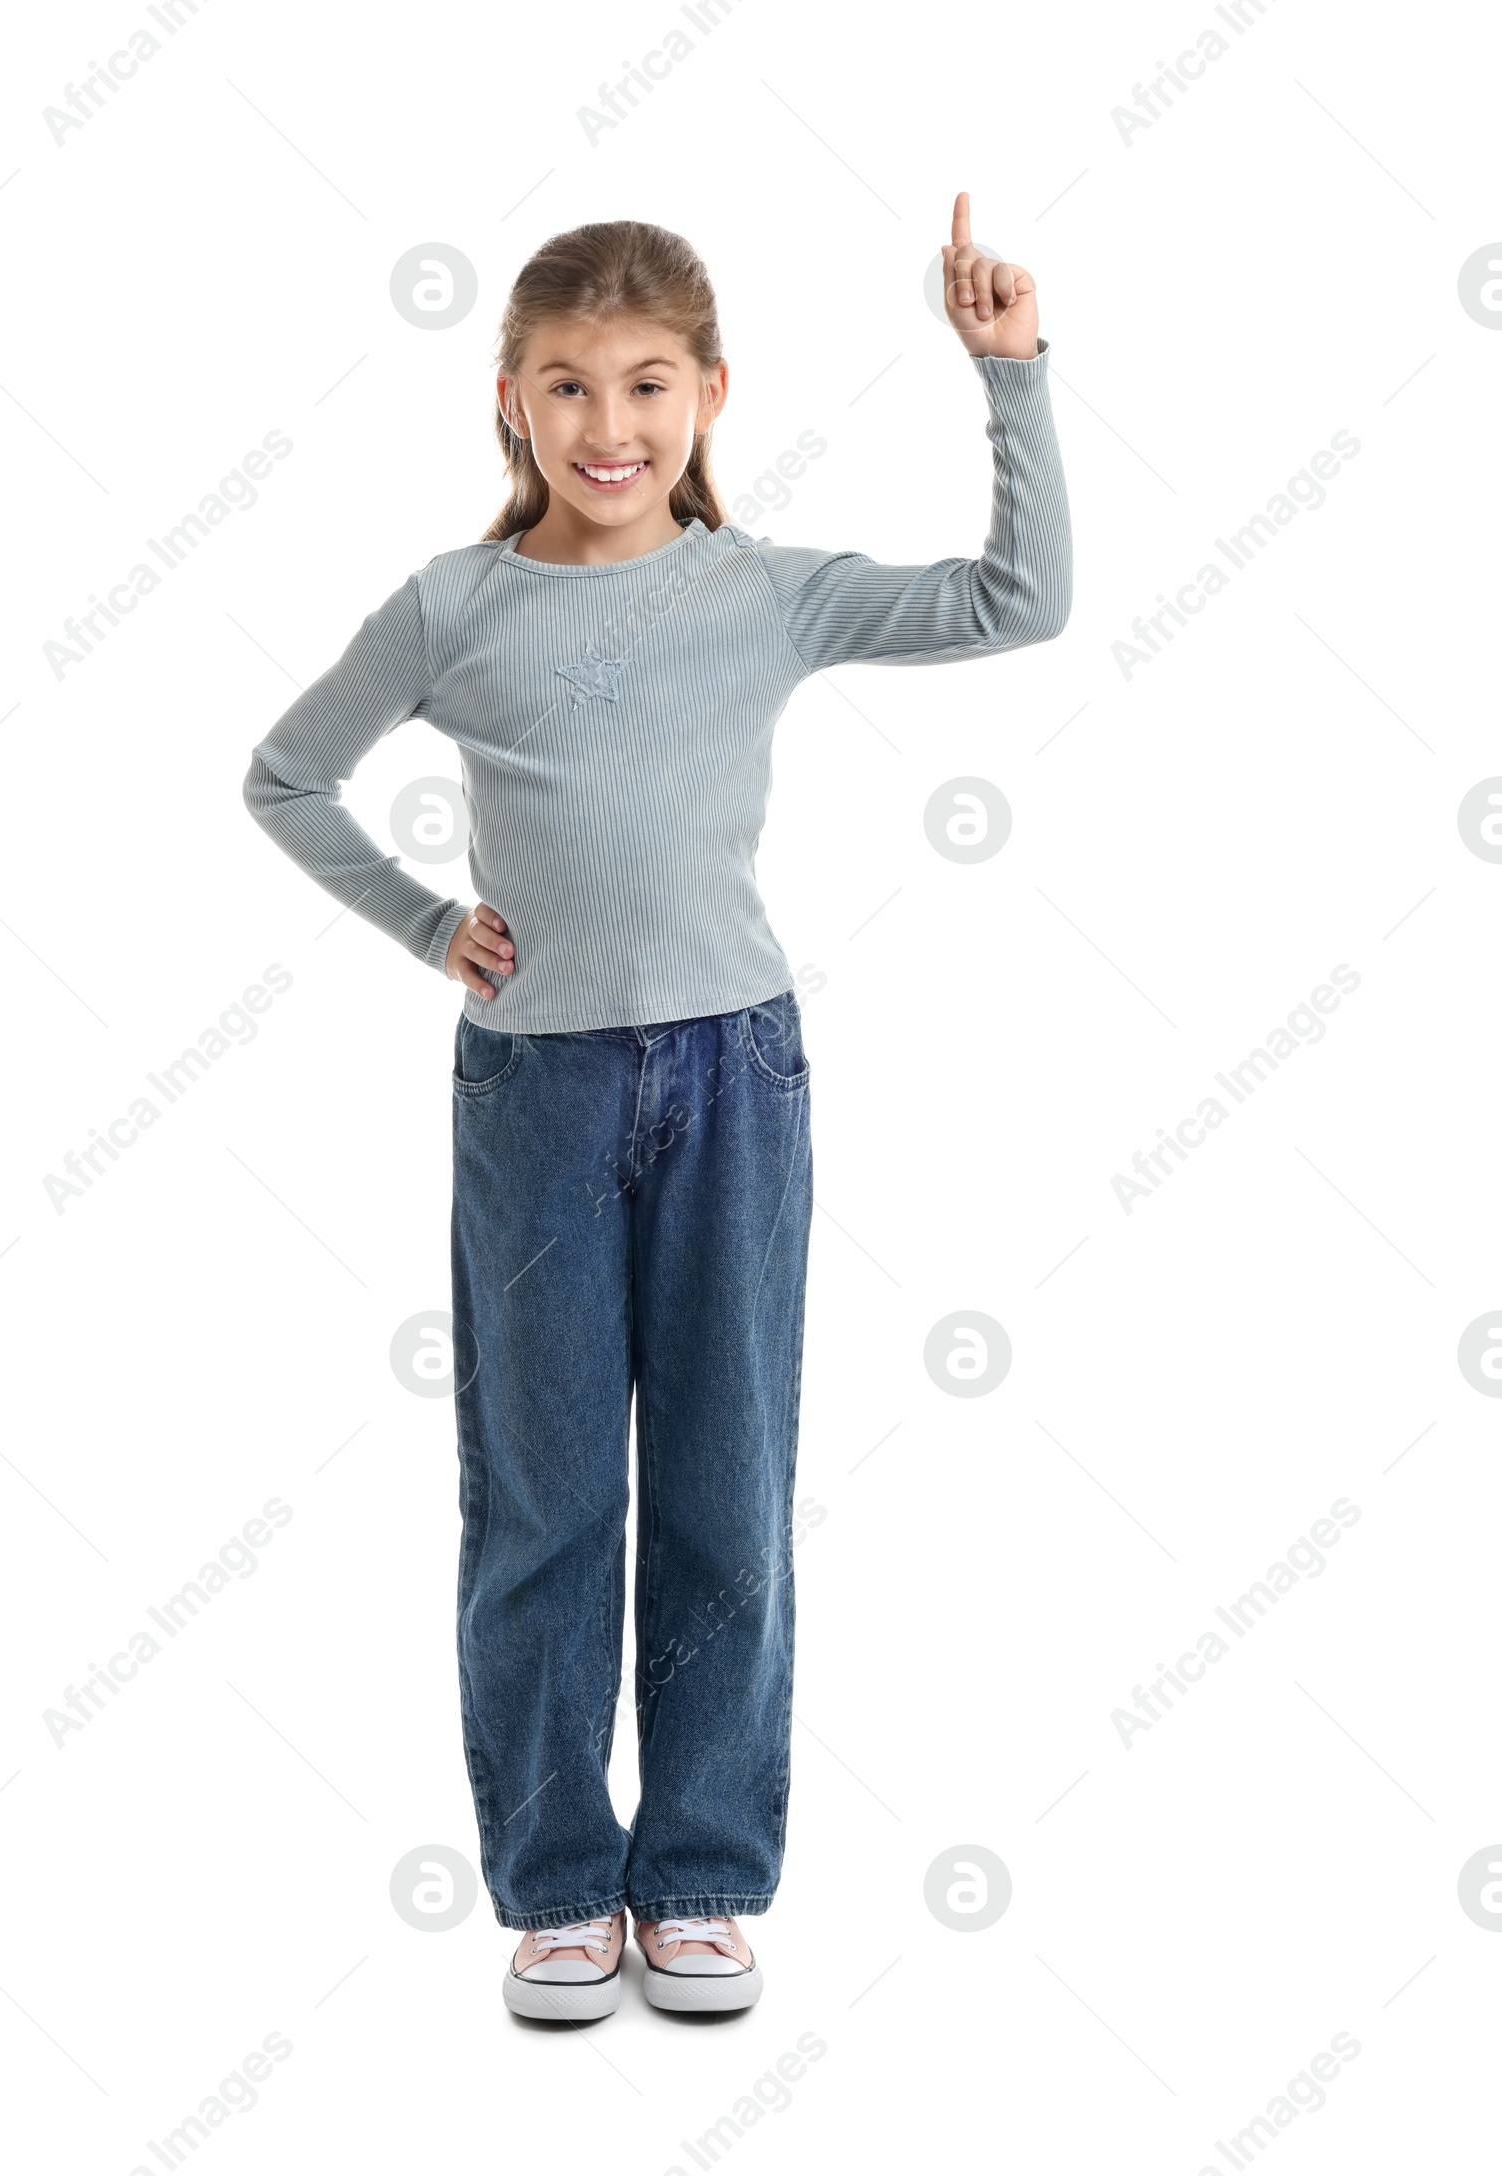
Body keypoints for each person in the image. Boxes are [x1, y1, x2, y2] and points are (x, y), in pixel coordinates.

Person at [241, 192, 1071, 2023]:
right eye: (565, 387)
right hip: (533, 1087)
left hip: (733, 1079)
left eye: (643, 385)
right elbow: (287, 777)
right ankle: (556, 1880)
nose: (607, 427)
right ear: (510, 404)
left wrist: (1007, 377)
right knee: (542, 1497)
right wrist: (431, 924)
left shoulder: (763, 590)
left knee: (724, 1485)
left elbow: (1024, 602)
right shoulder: (455, 606)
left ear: (707, 394)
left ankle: (699, 1871)